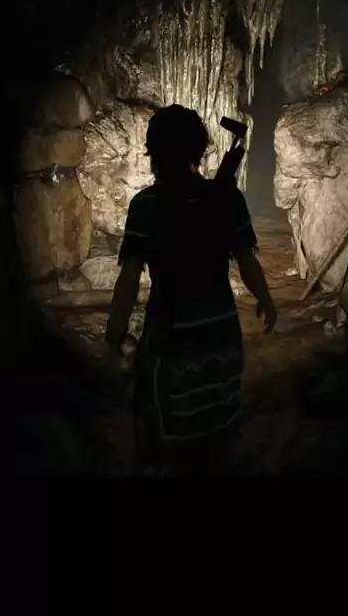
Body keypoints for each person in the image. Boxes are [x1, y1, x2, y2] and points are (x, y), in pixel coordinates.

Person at [104, 104, 277, 477]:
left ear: (154, 154)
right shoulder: (227, 199)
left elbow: (129, 279)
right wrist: (266, 299)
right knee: (217, 431)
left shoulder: (146, 206)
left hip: (171, 340)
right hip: (220, 336)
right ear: (199, 149)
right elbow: (246, 261)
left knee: (168, 438)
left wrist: (114, 335)